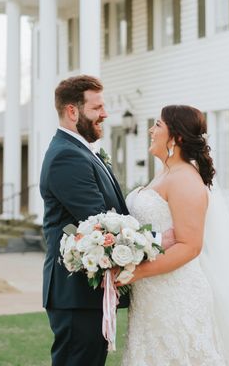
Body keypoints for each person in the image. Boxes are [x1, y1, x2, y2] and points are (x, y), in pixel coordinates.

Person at [120, 105, 229, 366]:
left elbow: (190, 246)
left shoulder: (185, 179)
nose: (151, 130)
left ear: (177, 137)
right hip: (152, 295)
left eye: (158, 125)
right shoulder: (166, 174)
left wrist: (135, 272)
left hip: (175, 294)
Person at [40, 75, 174, 366]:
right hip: (76, 294)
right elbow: (100, 223)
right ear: (73, 111)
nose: (105, 113)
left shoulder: (81, 151)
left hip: (87, 295)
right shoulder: (67, 157)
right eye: (97, 107)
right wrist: (158, 240)